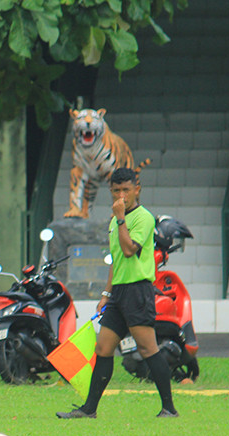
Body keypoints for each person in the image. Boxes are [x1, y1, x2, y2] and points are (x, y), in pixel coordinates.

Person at [56, 166, 178, 419]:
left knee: (147, 349)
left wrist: (121, 218)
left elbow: (129, 250)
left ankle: (169, 408)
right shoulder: (115, 220)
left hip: (138, 291)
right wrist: (106, 293)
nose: (121, 195)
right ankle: (89, 410)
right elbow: (116, 261)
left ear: (137, 189)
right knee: (103, 348)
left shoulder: (142, 218)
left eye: (126, 190)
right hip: (119, 293)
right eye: (116, 191)